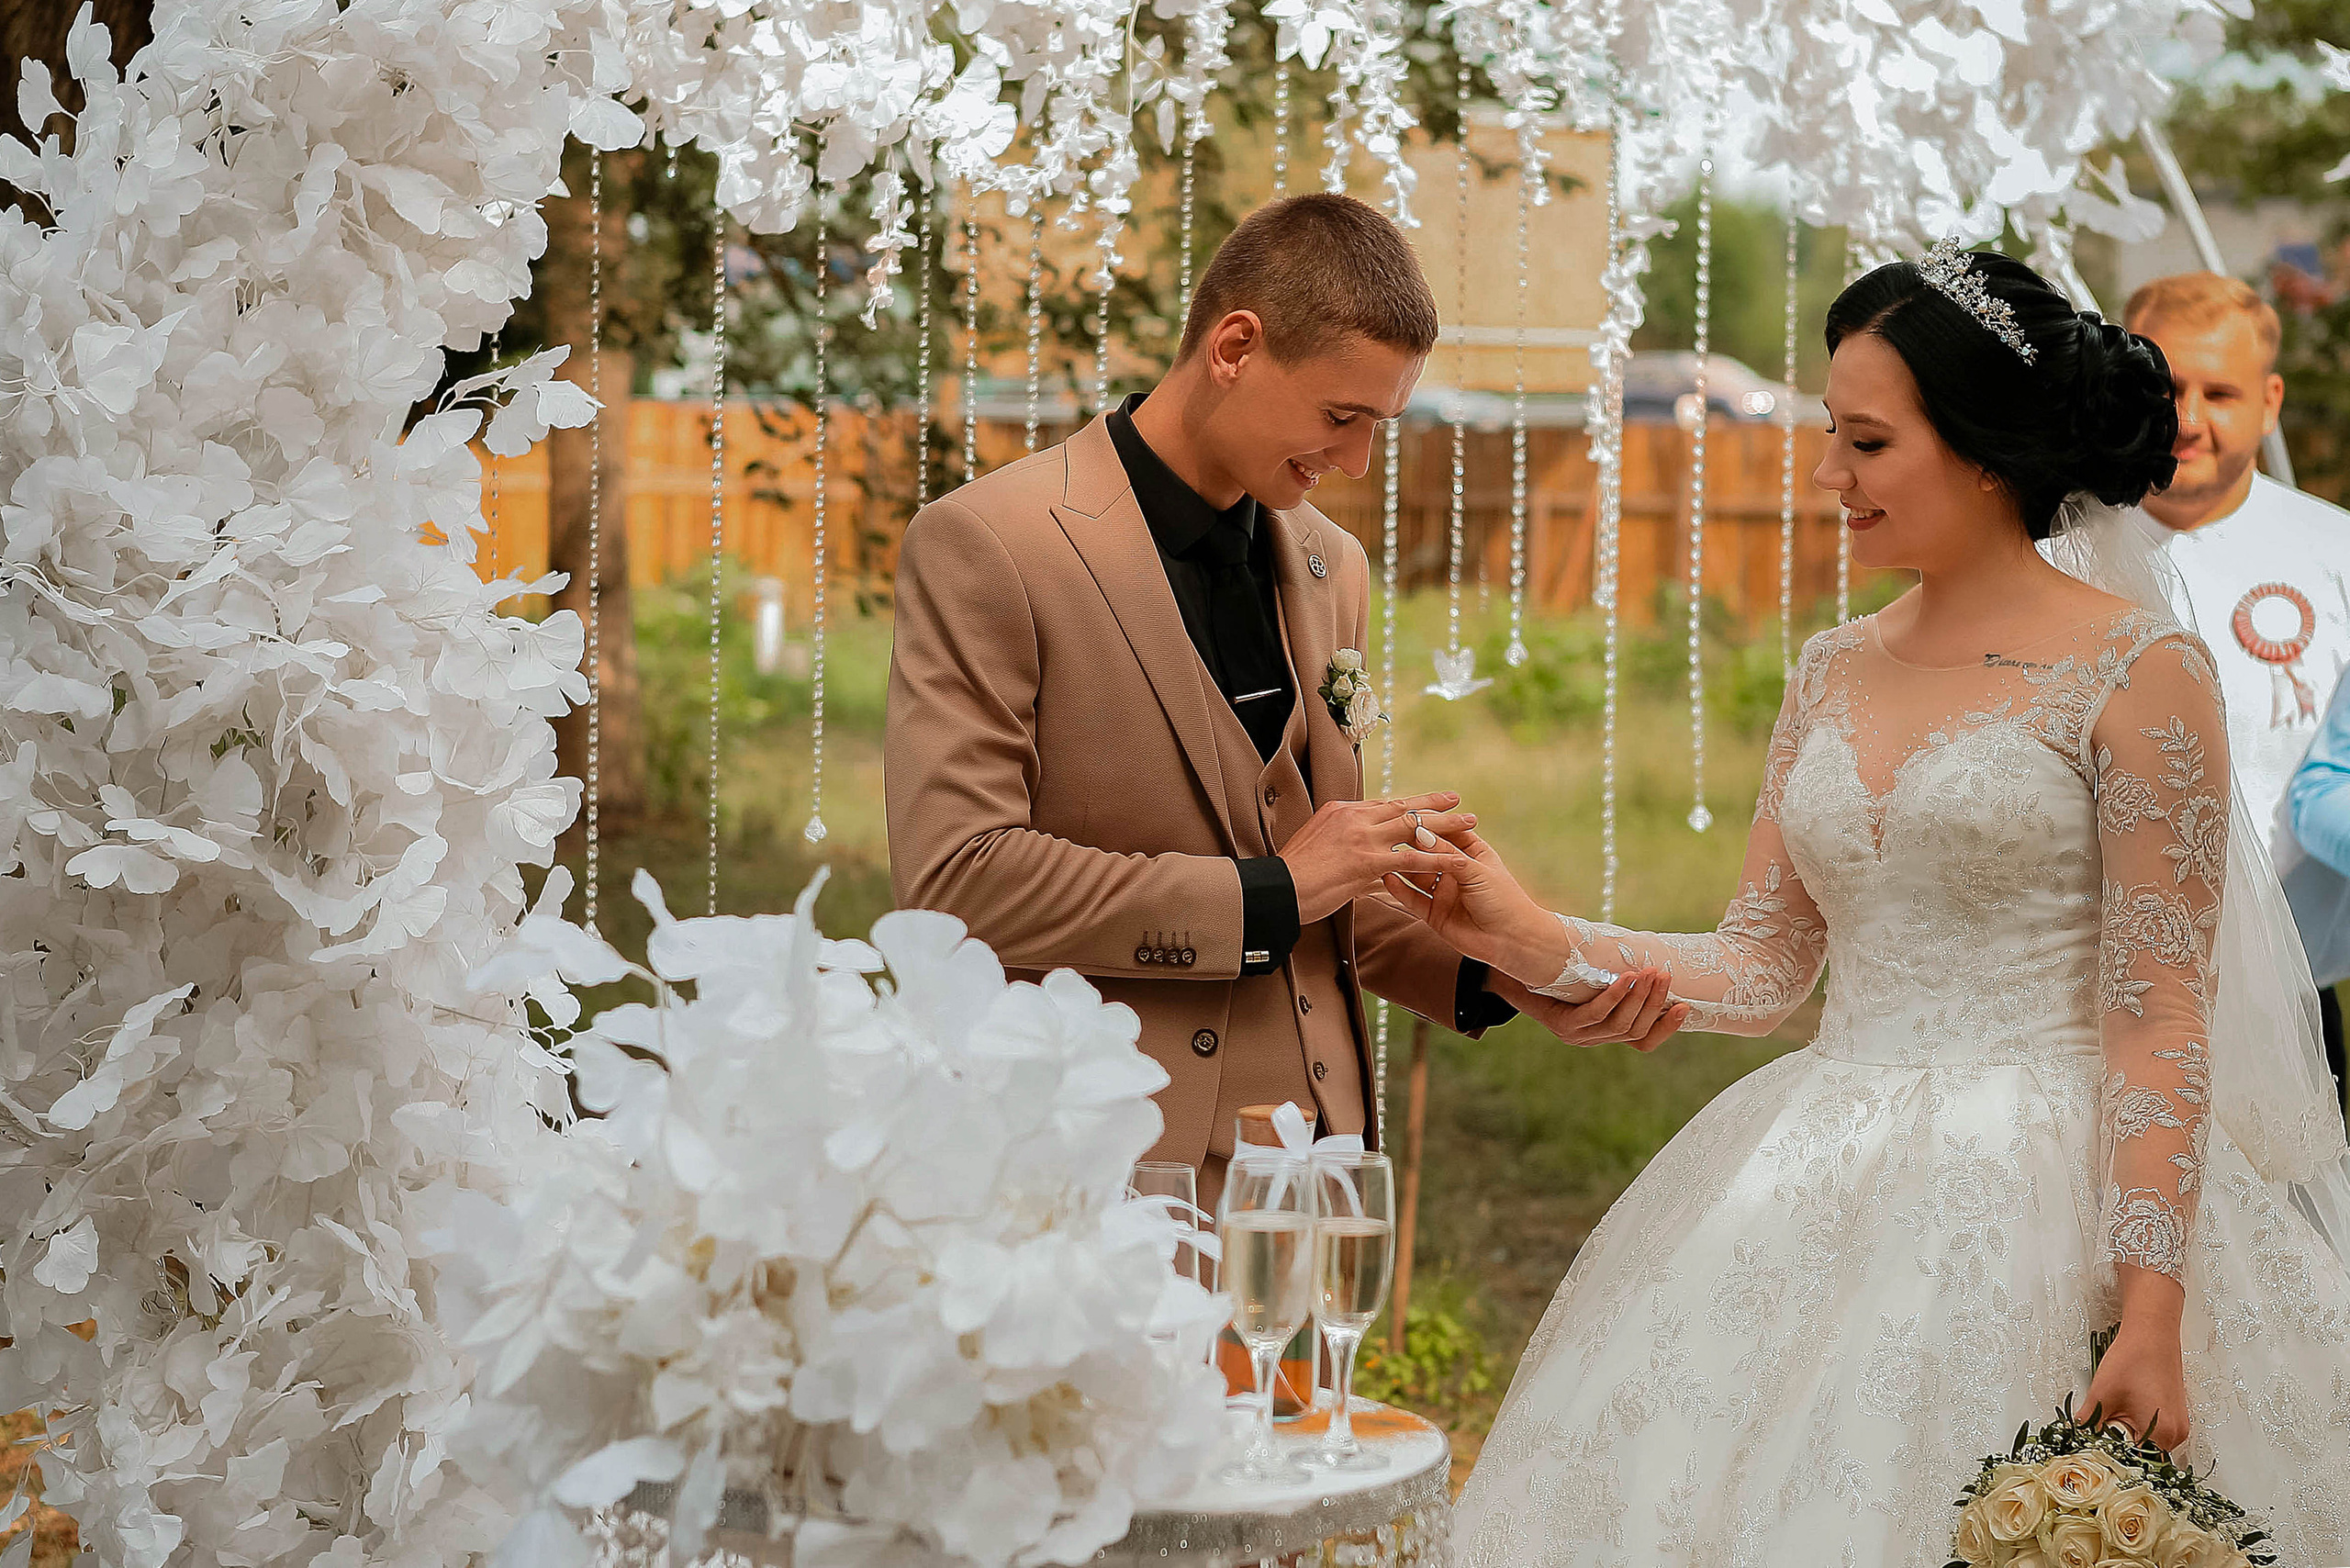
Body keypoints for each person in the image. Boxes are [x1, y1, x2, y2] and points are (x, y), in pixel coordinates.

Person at [1397, 245, 2350, 1561]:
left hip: (2051, 1198)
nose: (1824, 474)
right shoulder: (1828, 669)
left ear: (1983, 449)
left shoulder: (2141, 671)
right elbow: (1764, 963)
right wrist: (1528, 932)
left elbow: (2159, 1017)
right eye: (1829, 435)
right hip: (1817, 1167)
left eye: (1865, 442)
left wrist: (2149, 1308)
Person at [884, 194, 1685, 1204]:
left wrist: (1495, 970)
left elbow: (1317, 876)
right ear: (1234, 347)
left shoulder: (1330, 564)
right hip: (1098, 1168)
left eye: (1377, 426)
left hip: (1322, 1170)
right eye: (1340, 417)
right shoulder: (993, 543)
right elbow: (958, 879)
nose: (1354, 462)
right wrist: (1266, 895)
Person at [2125, 272, 2350, 1097]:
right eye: (2164, 387)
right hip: (2090, 1013)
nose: (2186, 419)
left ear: (2270, 401)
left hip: (2295, 1006)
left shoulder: (2339, 555)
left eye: (2219, 393)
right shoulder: (2047, 554)